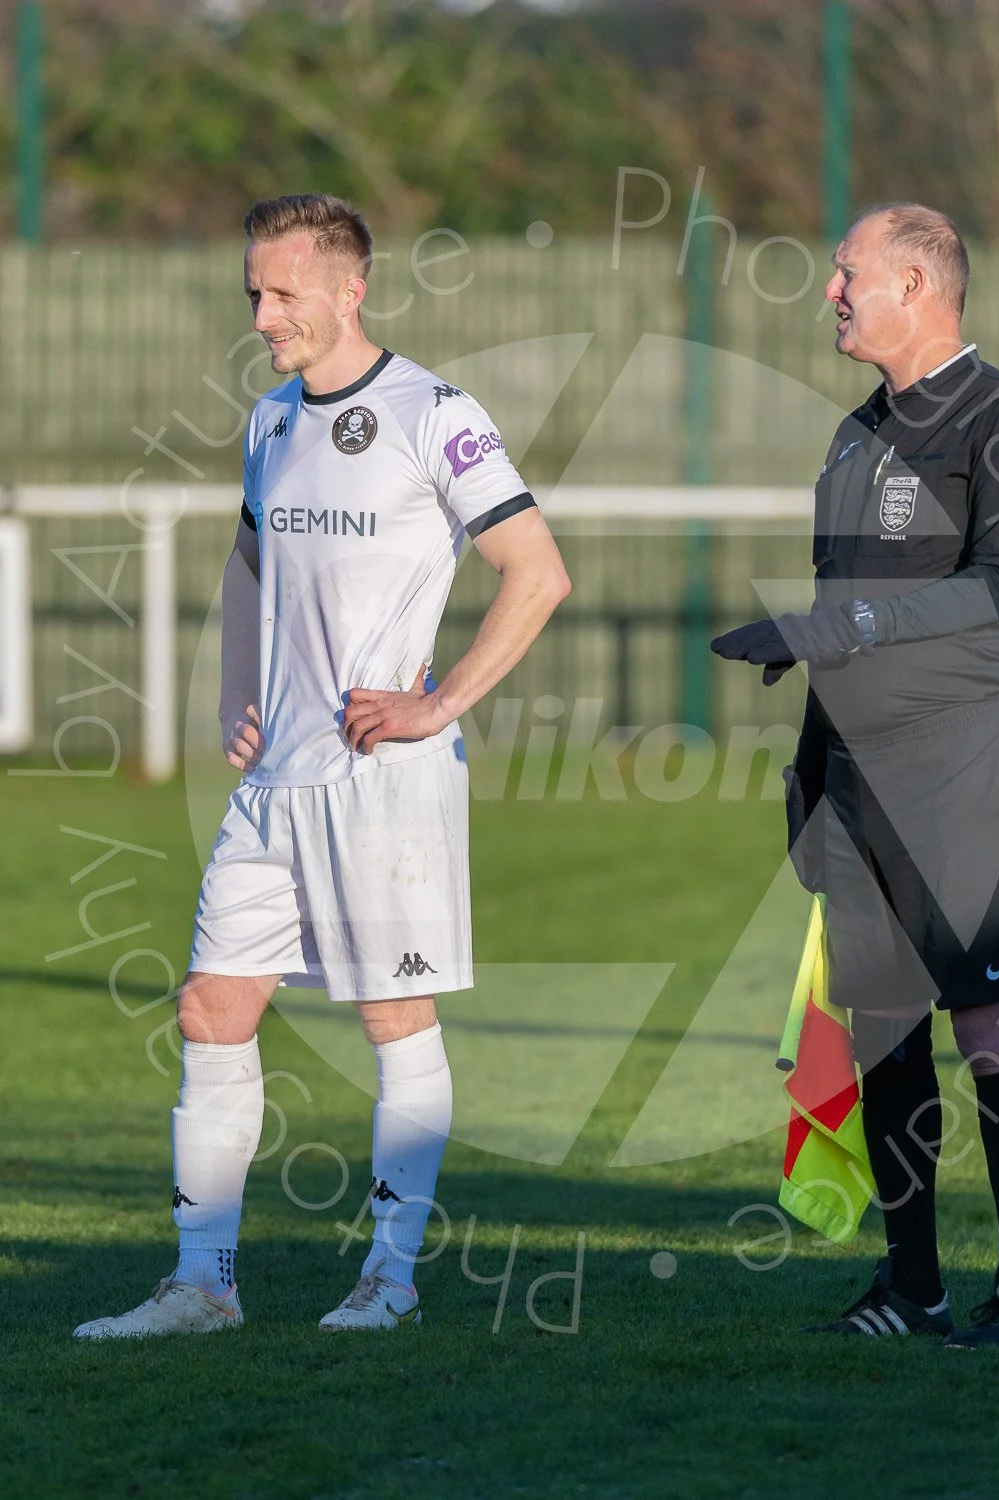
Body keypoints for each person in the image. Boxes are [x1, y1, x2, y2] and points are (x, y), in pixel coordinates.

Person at [74, 193, 571, 1338]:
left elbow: (536, 572)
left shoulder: (434, 412)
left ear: (351, 288)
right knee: (210, 1010)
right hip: (271, 783)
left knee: (394, 1020)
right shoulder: (266, 420)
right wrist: (233, 697)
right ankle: (203, 1286)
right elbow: (248, 564)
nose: (264, 313)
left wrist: (436, 703)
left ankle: (388, 1279)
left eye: (284, 292)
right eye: (254, 291)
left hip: (377, 781)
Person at [712, 203, 999, 1347]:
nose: (831, 292)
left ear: (916, 282)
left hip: (964, 771)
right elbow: (839, 621)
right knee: (881, 1030)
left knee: (989, 1025)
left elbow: (998, 591)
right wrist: (812, 773)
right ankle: (913, 1285)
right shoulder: (854, 432)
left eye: (847, 272)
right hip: (858, 777)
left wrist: (841, 624)